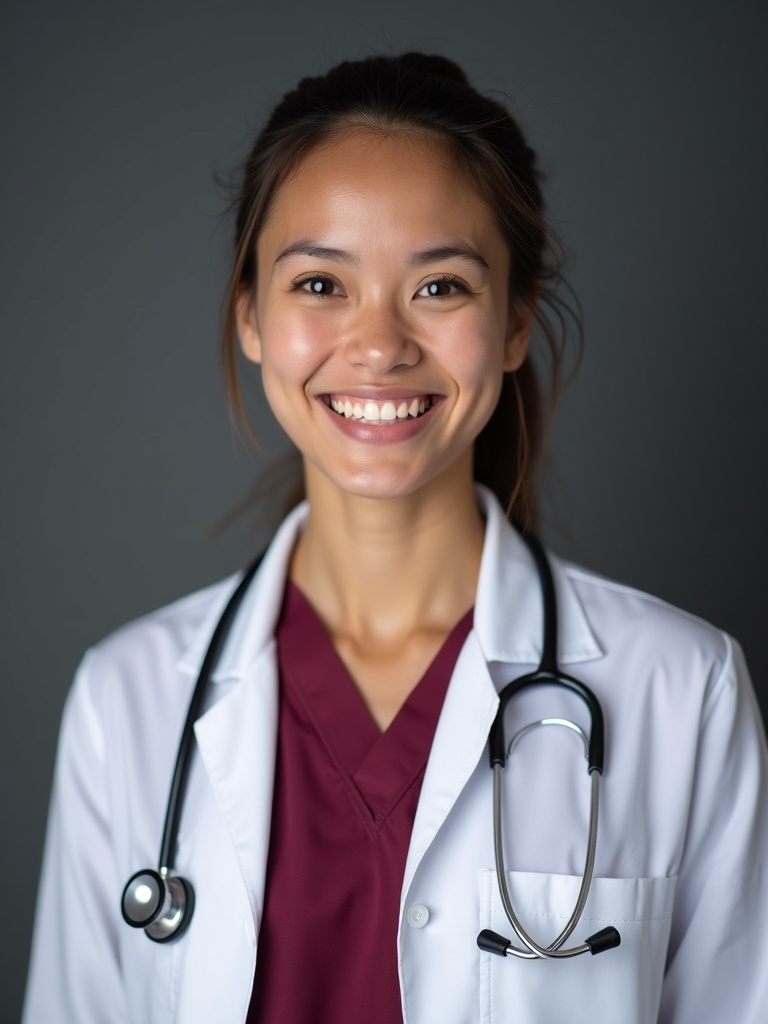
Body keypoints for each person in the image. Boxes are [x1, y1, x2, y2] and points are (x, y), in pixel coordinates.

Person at [23, 53, 768, 1024]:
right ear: (251, 314)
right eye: (322, 283)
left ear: (514, 322)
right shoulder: (123, 701)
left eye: (441, 287)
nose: (378, 346)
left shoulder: (682, 690)